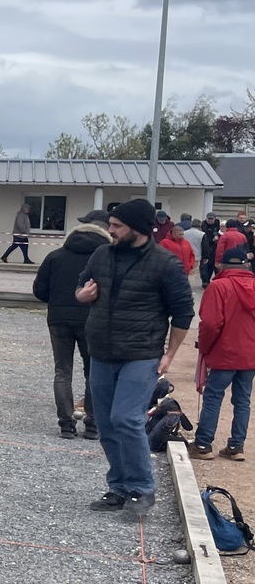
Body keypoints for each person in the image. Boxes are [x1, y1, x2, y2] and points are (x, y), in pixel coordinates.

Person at [76, 198, 195, 516]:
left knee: (126, 418)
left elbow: (183, 314)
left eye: (117, 226)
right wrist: (82, 295)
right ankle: (118, 487)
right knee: (106, 424)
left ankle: (142, 489)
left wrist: (169, 355)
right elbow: (81, 287)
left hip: (141, 354)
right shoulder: (102, 255)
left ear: (138, 229)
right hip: (101, 352)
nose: (110, 230)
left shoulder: (165, 264)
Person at [32, 212, 110, 439]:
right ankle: (93, 424)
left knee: (62, 371)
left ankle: (66, 423)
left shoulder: (55, 256)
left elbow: (39, 290)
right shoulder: (106, 259)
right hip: (92, 320)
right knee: (93, 371)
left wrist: (58, 299)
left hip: (59, 319)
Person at [189, 246, 255, 462]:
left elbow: (210, 323)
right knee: (243, 399)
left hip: (224, 351)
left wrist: (205, 347)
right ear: (247, 264)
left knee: (213, 397)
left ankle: (203, 444)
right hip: (250, 354)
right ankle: (236, 446)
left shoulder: (218, 286)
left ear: (221, 265)